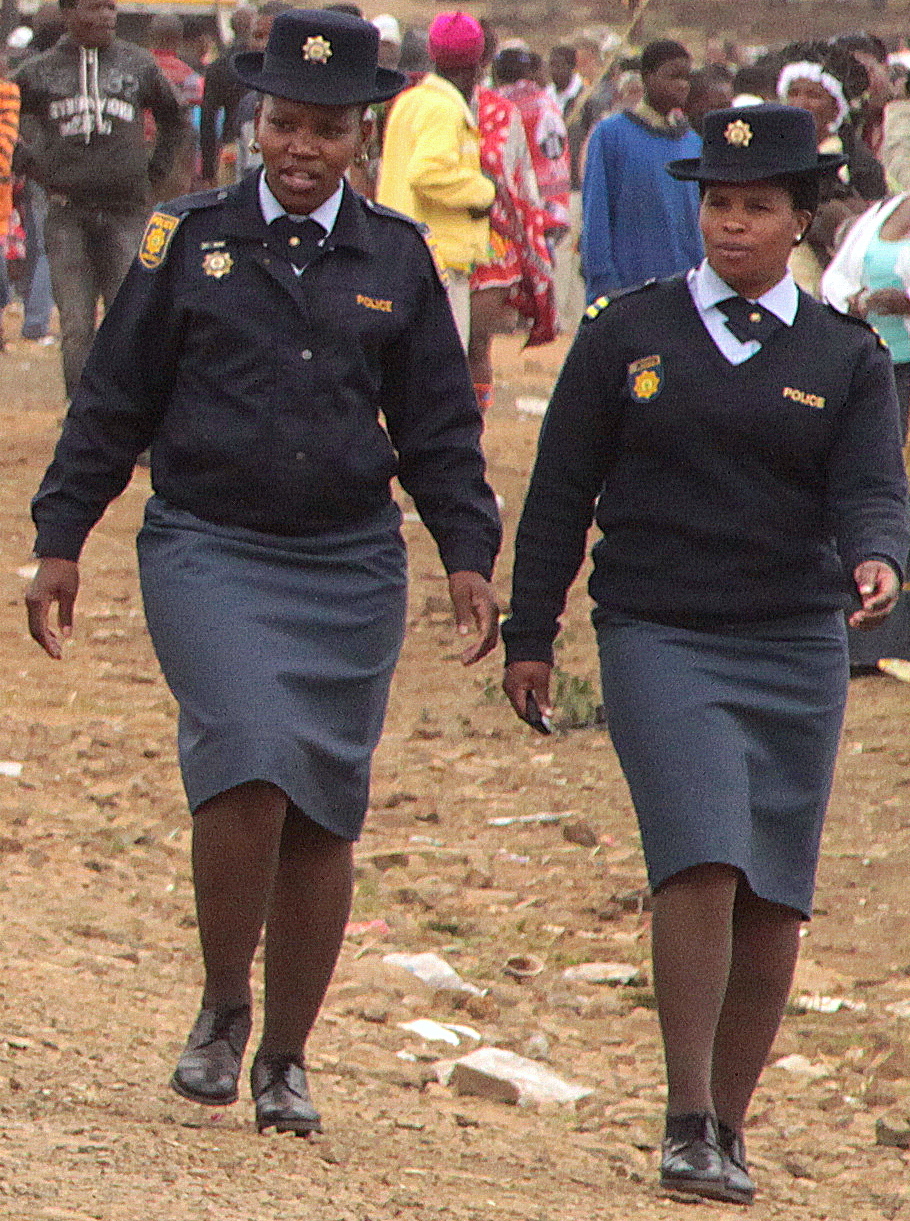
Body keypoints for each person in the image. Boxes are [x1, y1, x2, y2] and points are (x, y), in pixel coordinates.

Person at [25, 8, 501, 1138]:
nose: (301, 147)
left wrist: (468, 555)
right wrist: (61, 538)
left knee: (323, 811)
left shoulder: (395, 257)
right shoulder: (183, 241)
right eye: (284, 122)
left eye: (327, 130)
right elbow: (114, 402)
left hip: (346, 563)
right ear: (252, 124)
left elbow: (436, 424)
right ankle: (221, 1007)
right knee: (245, 761)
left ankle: (286, 1057)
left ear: (359, 138)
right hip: (208, 548)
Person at [501, 104, 908, 1204]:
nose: (732, 227)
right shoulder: (625, 333)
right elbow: (557, 497)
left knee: (773, 890)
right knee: (701, 854)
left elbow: (870, 487)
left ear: (799, 219)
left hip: (792, 645)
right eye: (717, 205)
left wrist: (876, 558)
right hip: (658, 634)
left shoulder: (844, 359)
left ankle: (731, 1124)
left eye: (756, 208)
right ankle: (685, 1113)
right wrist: (528, 631)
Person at [14, 0, 182, 400]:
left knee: (128, 319)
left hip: (127, 213)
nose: (105, 15)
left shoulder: (137, 64)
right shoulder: (40, 71)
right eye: (94, 7)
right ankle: (81, 425)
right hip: (66, 213)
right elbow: (5, 106)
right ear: (68, 13)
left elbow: (173, 116)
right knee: (76, 326)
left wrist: (154, 173)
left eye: (110, 7)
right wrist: (29, 162)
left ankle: (128, 423)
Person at [377, 10, 495, 352]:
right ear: (478, 64)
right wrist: (483, 191)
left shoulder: (410, 101)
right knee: (440, 373)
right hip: (437, 262)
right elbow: (427, 173)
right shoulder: (444, 108)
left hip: (405, 254)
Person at [581, 39, 702, 302]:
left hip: (686, 286)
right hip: (628, 286)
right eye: (672, 76)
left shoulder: (692, 143)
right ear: (647, 78)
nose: (682, 85)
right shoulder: (611, 135)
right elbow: (596, 213)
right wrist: (604, 283)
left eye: (686, 77)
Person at [777, 41, 885, 296]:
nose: (800, 103)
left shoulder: (859, 164)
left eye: (813, 95)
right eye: (793, 93)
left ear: (837, 107)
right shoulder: (773, 155)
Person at [147, 14, 204, 201]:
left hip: (139, 145)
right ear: (179, 39)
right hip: (177, 152)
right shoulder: (189, 76)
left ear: (149, 36)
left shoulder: (139, 68)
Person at [198, 3, 254, 188]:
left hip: (231, 147)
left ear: (231, 27)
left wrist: (208, 171)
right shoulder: (263, 62)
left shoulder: (218, 67)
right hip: (263, 144)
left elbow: (208, 121)